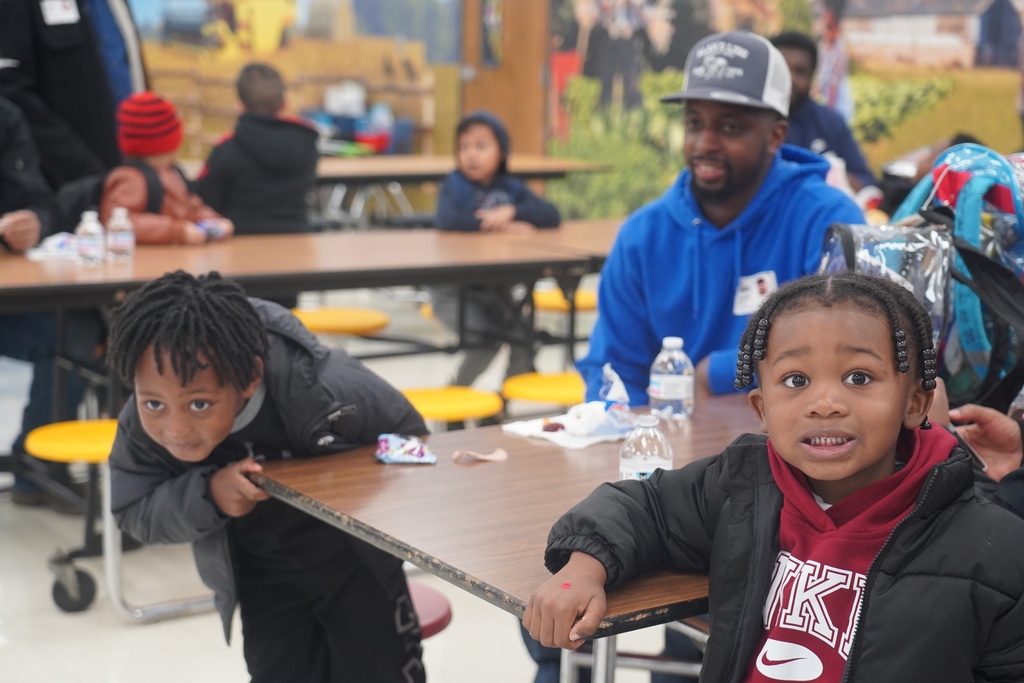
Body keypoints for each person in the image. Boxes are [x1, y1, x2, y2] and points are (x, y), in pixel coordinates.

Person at [525, 271, 1024, 681]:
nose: (825, 404)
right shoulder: (745, 484)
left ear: (915, 402)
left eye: (859, 377)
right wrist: (582, 570)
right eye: (796, 381)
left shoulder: (994, 547)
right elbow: (643, 507)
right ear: (762, 410)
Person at [105, 270, 428, 682]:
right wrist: (209, 495)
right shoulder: (141, 420)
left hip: (359, 571)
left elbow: (414, 442)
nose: (175, 428)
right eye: (153, 403)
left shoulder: (330, 389)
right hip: (264, 581)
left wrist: (341, 481)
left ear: (250, 377)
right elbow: (134, 508)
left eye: (200, 404)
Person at [576, 30, 864, 407]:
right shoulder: (642, 236)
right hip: (672, 452)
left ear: (776, 136)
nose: (704, 144)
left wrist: (716, 372)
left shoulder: (828, 220)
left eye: (730, 128)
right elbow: (614, 373)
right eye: (695, 123)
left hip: (796, 453)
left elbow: (846, 352)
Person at [0, 95, 100, 511]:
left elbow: (39, 201)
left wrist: (35, 223)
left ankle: (38, 468)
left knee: (71, 337)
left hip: (10, 294)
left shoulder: (6, 118)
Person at [433, 110, 561, 387]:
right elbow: (448, 219)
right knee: (484, 342)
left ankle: (504, 403)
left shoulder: (511, 188)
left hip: (495, 290)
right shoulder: (454, 185)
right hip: (455, 290)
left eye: (481, 146)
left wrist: (514, 212)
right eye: (463, 147)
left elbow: (551, 215)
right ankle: (457, 398)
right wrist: (495, 224)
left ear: (501, 152)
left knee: (524, 338)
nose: (471, 155)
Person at [0, 0, 145, 188]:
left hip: (128, 179)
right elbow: (11, 93)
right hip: (61, 191)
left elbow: (129, 72)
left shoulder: (115, 4)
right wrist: (89, 176)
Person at [194, 62, 319, 235]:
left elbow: (205, 199)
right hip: (298, 242)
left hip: (238, 247)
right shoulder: (306, 141)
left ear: (240, 106)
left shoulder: (227, 148)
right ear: (285, 102)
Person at [99, 91, 234, 244]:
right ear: (172, 141)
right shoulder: (130, 177)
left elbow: (191, 207)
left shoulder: (172, 172)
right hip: (145, 265)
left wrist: (214, 221)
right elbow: (119, 222)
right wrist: (175, 231)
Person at [770, 31, 877, 194]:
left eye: (799, 72)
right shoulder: (748, 120)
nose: (790, 79)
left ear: (812, 77)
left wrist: (833, 175)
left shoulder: (831, 123)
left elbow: (866, 183)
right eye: (783, 69)